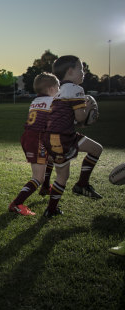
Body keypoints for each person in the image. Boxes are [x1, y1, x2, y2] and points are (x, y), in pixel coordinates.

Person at [42, 55, 103, 217]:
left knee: (94, 150)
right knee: (64, 174)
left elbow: (64, 118)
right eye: (81, 69)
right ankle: (55, 206)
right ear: (70, 71)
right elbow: (80, 117)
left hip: (56, 135)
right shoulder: (76, 89)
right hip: (63, 137)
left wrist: (80, 121)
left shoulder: (55, 89)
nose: (83, 72)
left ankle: (79, 187)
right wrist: (88, 108)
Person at [8, 73, 59, 216]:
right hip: (37, 139)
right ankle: (16, 203)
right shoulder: (52, 102)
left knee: (50, 157)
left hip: (29, 137)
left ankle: (46, 187)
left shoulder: (35, 101)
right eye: (58, 87)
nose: (59, 90)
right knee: (38, 177)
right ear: (50, 88)